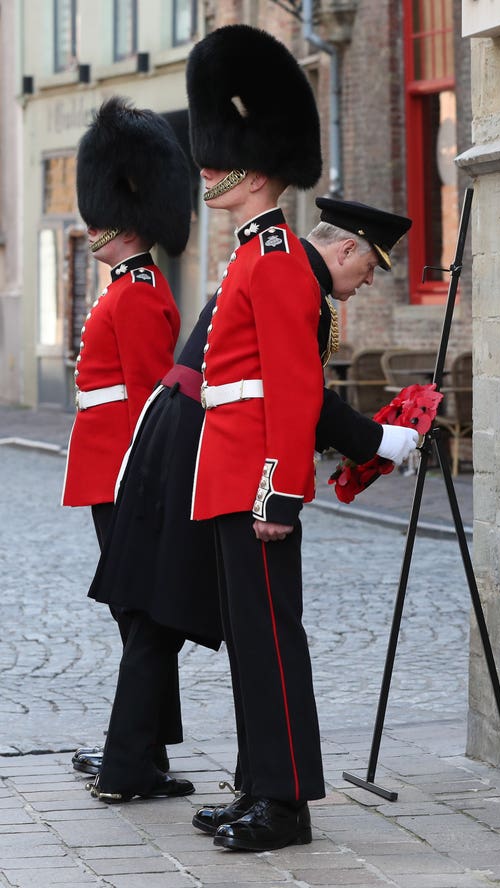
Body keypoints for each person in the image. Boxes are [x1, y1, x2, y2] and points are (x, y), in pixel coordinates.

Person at [82, 196, 415, 805]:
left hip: (202, 449)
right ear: (345, 248)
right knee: (219, 621)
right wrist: (376, 441)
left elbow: (279, 392)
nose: (366, 283)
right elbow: (295, 390)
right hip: (208, 453)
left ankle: (160, 763)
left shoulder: (269, 259)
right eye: (368, 268)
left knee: (182, 613)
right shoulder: (284, 268)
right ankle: (255, 786)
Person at [187, 25, 415, 853]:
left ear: (257, 166)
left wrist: (280, 489)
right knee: (250, 642)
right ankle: (259, 783)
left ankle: (285, 803)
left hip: (257, 478)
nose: (208, 171)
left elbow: (291, 388)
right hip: (230, 469)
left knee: (272, 642)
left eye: (221, 161)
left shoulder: (277, 257)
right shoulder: (252, 256)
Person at [62, 95, 193, 796]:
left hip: (125, 473)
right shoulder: (124, 288)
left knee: (141, 613)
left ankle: (137, 754)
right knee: (135, 613)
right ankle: (144, 750)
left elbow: (150, 405)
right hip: (103, 469)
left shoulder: (141, 293)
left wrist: (151, 483)